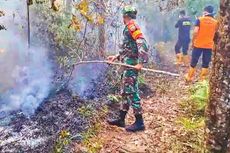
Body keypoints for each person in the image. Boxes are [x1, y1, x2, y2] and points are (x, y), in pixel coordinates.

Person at [107, 6, 149, 132]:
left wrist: (141, 63)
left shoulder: (132, 26)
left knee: (131, 91)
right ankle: (121, 119)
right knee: (125, 91)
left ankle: (139, 122)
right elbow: (129, 48)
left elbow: (142, 42)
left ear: (125, 15)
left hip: (131, 65)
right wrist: (117, 56)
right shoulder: (128, 27)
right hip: (126, 63)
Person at [185, 5, 218, 82]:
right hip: (209, 46)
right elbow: (216, 34)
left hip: (198, 45)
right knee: (205, 62)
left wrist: (193, 42)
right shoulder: (216, 22)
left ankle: (189, 77)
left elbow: (195, 32)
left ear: (205, 12)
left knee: (194, 61)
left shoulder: (199, 20)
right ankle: (202, 80)